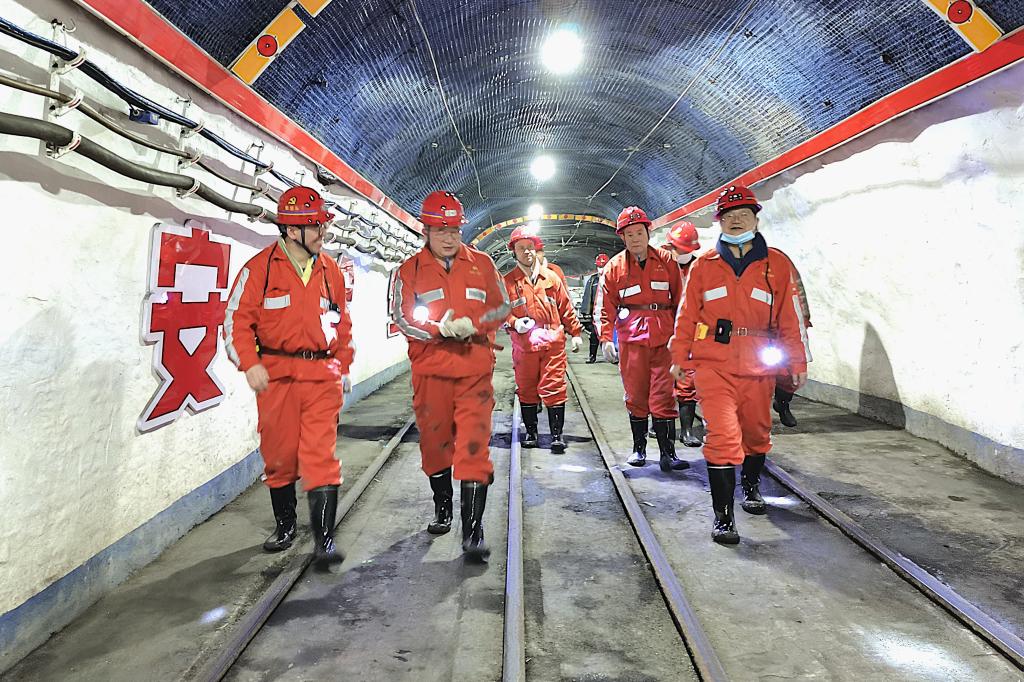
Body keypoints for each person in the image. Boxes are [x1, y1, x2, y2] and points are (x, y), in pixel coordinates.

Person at [669, 185, 810, 545]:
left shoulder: (776, 265)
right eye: (728, 215)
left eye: (743, 214)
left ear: (755, 220)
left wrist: (796, 359)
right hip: (713, 363)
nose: (736, 220)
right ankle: (723, 517)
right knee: (722, 435)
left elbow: (790, 318)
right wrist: (679, 355)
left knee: (756, 433)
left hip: (758, 364)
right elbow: (687, 315)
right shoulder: (704, 266)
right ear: (719, 222)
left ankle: (750, 484)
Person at [224, 186, 354, 571]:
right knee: (279, 455)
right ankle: (285, 525)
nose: (323, 232)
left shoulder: (331, 272)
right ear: (292, 230)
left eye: (323, 225)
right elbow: (235, 322)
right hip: (277, 377)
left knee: (320, 455)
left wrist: (343, 364)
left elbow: (342, 324)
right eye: (316, 226)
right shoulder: (260, 270)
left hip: (321, 375)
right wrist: (250, 363)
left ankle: (324, 540)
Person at [390, 191, 510, 561]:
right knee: (435, 445)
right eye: (441, 230)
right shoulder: (408, 271)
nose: (449, 237)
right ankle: (443, 506)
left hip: (474, 372)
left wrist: (475, 324)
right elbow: (400, 317)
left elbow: (502, 307)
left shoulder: (483, 264)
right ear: (425, 231)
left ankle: (473, 531)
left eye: (454, 229)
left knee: (474, 447)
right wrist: (439, 330)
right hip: (432, 375)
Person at [599, 206, 688, 472]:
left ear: (648, 233)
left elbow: (682, 301)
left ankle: (668, 454)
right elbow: (605, 306)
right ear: (622, 237)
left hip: (664, 339)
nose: (635, 238)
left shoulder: (666, 261)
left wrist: (684, 338)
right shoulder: (614, 268)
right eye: (629, 234)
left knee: (664, 396)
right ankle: (639, 449)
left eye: (639, 232)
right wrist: (606, 338)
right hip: (632, 340)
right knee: (636, 395)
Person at [504, 227, 584, 452]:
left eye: (530, 247)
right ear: (514, 252)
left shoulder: (551, 278)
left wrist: (576, 333)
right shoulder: (508, 282)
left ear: (536, 248)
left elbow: (566, 307)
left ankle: (557, 435)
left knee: (555, 386)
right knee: (526, 387)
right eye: (521, 248)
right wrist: (514, 322)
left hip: (552, 343)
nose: (526, 251)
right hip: (525, 345)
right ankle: (531, 433)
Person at [662, 221, 703, 447]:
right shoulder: (660, 266)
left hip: (689, 333)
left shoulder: (702, 269)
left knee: (687, 381)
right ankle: (659, 422)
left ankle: (686, 430)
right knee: (660, 380)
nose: (680, 253)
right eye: (677, 248)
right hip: (661, 331)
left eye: (685, 249)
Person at [771, 251, 813, 427]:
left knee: (788, 375)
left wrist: (804, 318)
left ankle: (783, 402)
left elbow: (797, 296)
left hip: (782, 329)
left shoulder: (779, 262)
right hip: (757, 332)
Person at [579, 253, 609, 363]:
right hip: (596, 313)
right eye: (600, 266)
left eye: (603, 266)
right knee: (594, 335)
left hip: (610, 313)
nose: (601, 269)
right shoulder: (593, 280)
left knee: (610, 335)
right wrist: (586, 312)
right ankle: (592, 356)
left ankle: (613, 356)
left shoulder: (614, 278)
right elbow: (587, 296)